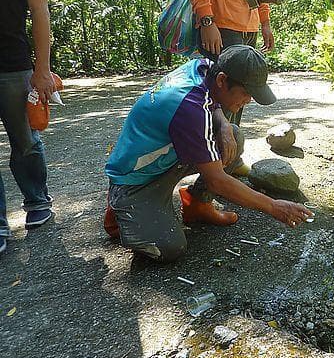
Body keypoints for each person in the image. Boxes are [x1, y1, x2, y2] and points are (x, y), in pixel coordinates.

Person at [103, 45, 311, 263]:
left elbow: (211, 103)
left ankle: (197, 205)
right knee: (168, 248)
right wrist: (273, 206)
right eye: (246, 93)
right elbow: (217, 181)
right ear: (222, 80)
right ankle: (121, 211)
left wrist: (222, 124)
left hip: (166, 157)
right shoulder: (190, 109)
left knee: (233, 136)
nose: (248, 100)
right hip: (136, 179)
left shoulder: (204, 67)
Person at [178, 0, 275, 147]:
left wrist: (264, 19)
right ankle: (213, 169)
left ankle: (229, 160)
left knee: (239, 96)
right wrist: (206, 19)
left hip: (248, 21)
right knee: (218, 98)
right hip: (219, 20)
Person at [0, 0, 55, 254]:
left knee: (26, 141)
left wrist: (42, 69)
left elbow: (39, 7)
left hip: (13, 63)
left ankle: (37, 199)